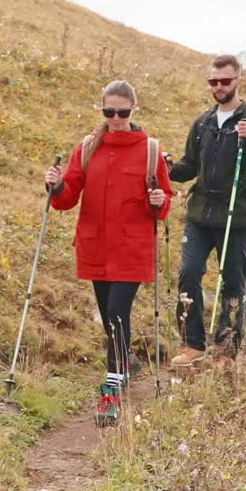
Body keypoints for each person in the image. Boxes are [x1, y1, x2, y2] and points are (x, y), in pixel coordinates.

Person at [44, 80, 174, 423]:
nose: (115, 118)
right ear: (102, 109)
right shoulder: (88, 147)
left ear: (134, 110)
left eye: (122, 112)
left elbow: (164, 200)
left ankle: (112, 388)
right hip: (96, 245)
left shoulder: (150, 150)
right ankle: (127, 359)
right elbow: (69, 196)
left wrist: (160, 201)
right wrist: (56, 185)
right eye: (109, 111)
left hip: (132, 249)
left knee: (116, 314)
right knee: (109, 317)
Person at [167, 55, 246, 366]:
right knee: (188, 273)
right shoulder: (202, 123)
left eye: (225, 81)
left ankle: (227, 350)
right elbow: (190, 166)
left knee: (232, 281)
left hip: (237, 214)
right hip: (199, 214)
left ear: (238, 81)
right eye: (214, 81)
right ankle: (192, 344)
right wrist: (167, 169)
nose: (219, 87)